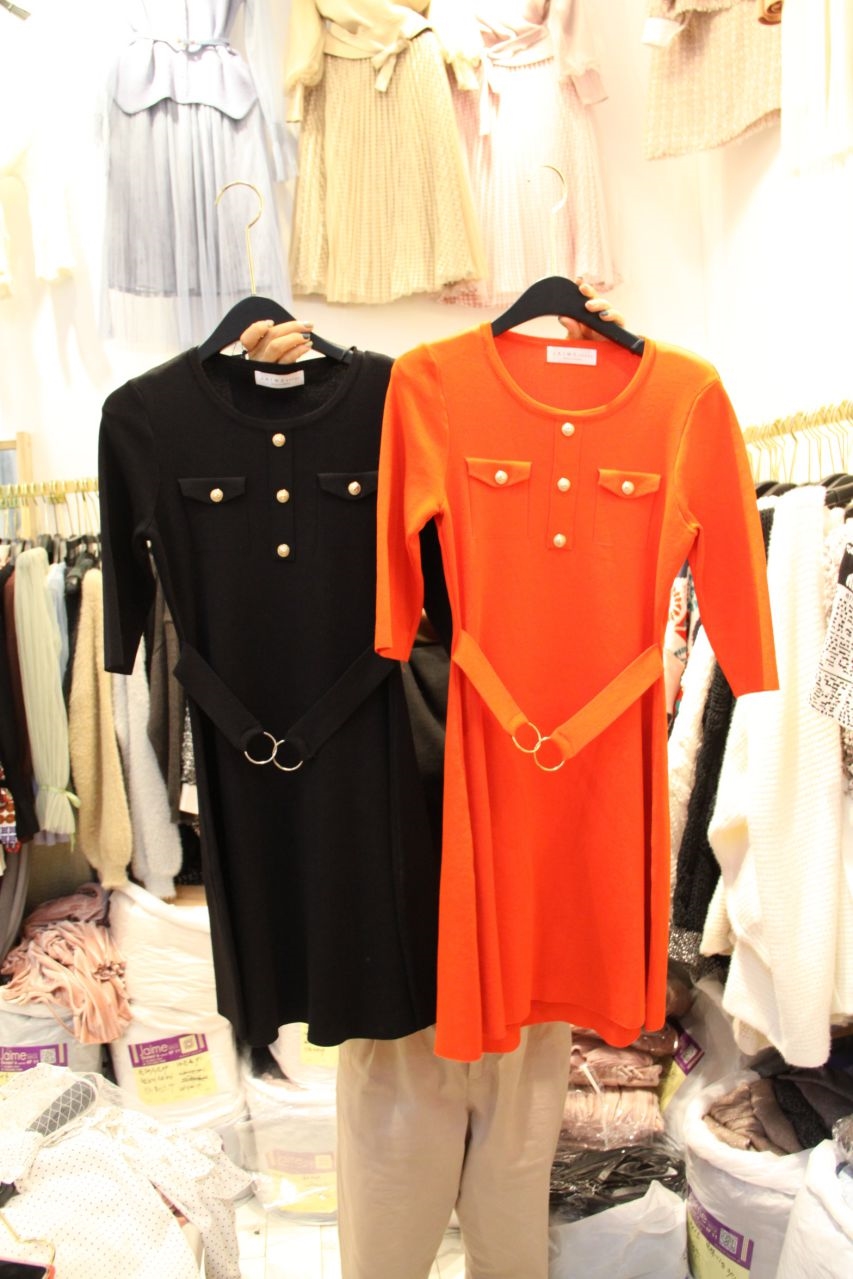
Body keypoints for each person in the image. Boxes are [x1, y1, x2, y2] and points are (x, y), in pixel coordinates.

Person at [236, 286, 627, 1278]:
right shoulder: (390, 407)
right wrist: (266, 387)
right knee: (397, 1168)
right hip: (397, 885)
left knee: (506, 1169)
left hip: (520, 872)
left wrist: (589, 366)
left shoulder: (518, 437)